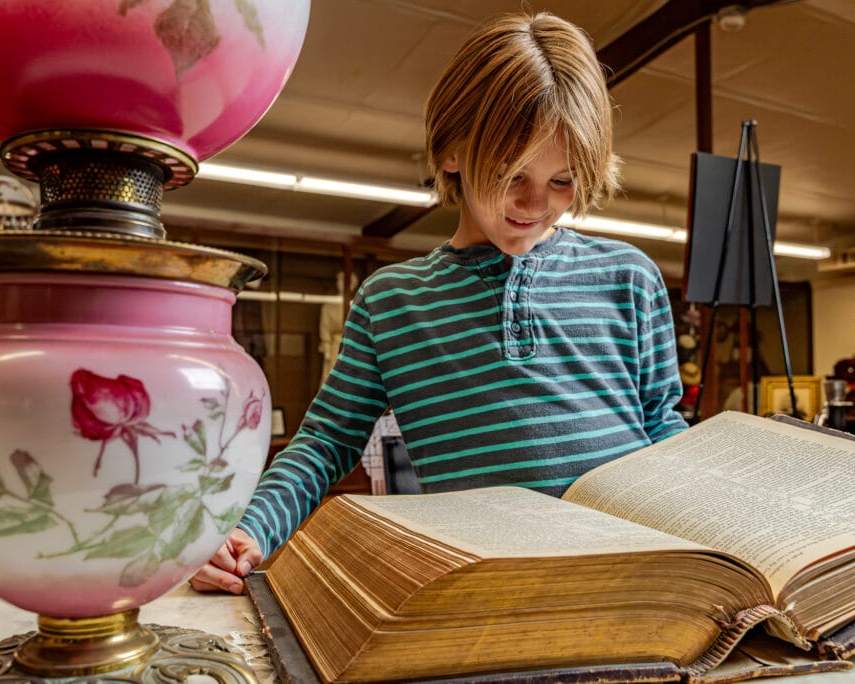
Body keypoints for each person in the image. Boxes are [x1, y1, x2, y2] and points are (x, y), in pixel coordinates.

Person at [190, 10, 688, 594]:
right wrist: (250, 528)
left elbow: (662, 424)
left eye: (563, 180)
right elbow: (326, 442)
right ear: (452, 150)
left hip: (636, 576)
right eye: (512, 174)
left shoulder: (630, 277)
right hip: (485, 590)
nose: (535, 204)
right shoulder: (390, 303)